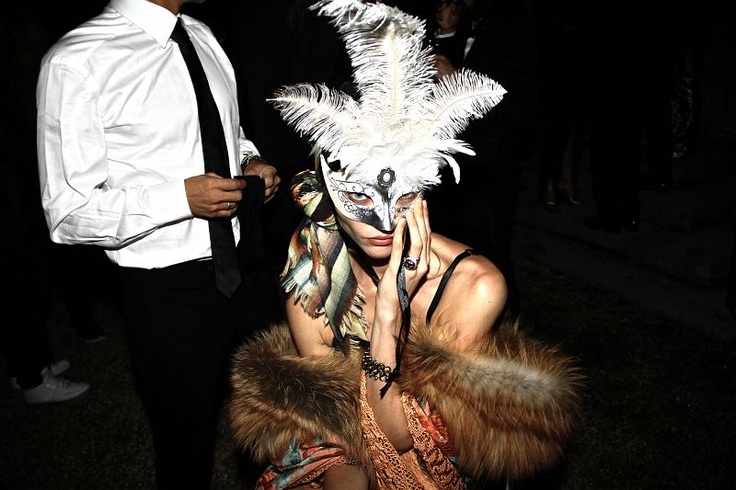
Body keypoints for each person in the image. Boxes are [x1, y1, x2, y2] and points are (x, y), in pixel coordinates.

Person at [228, 1, 581, 488]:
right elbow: (342, 432)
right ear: (326, 190)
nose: (383, 219)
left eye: (403, 196)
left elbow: (398, 437)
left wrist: (390, 314)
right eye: (357, 195)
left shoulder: (474, 285)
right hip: (342, 439)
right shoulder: (313, 273)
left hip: (431, 452)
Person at [36, 0, 281, 487]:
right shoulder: (76, 59)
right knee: (185, 448)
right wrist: (179, 199)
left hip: (246, 266)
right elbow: (65, 212)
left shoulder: (200, 33)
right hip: (168, 292)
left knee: (273, 431)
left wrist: (249, 163)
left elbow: (227, 133)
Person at [0, 6, 90, 405]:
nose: (37, 32)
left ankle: (32, 365)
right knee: (16, 290)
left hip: (18, 202)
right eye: (30, 27)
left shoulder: (23, 75)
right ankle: (31, 376)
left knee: (27, 287)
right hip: (9, 209)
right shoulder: (18, 78)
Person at [428, 0, 539, 316]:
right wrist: (447, 34)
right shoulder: (469, 23)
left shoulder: (514, 28)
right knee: (451, 255)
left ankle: (507, 335)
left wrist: (458, 77)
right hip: (452, 165)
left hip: (490, 168)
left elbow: (521, 107)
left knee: (492, 260)